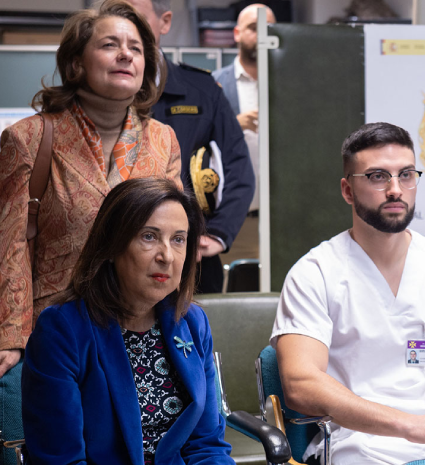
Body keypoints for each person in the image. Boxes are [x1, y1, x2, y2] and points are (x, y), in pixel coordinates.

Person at [271, 122, 425, 465]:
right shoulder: (315, 273)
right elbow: (300, 383)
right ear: (347, 190)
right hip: (361, 445)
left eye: (406, 175)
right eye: (377, 177)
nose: (395, 189)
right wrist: (410, 425)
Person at [0, 0, 182, 378]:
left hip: (142, 330)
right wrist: (11, 335)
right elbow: (10, 244)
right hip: (57, 333)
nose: (125, 55)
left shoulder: (163, 140)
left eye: (136, 48)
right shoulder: (29, 138)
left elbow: (177, 236)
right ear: (77, 63)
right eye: (109, 45)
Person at [22, 177, 233, 464]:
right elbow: (62, 460)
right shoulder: (61, 330)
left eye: (178, 239)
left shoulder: (193, 322)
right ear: (111, 246)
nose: (167, 256)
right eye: (149, 236)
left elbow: (207, 446)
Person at [127, 0, 255, 293]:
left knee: (191, 336)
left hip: (187, 258)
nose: (127, 30)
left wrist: (218, 233)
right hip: (116, 253)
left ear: (165, 21)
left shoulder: (201, 89)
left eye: (136, 18)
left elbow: (239, 167)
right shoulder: (101, 89)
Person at [213, 4, 276, 219]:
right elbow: (196, 145)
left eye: (268, 27)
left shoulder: (290, 84)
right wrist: (233, 125)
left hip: (282, 211)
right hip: (234, 213)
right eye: (254, 27)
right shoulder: (213, 84)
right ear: (237, 34)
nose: (262, 34)